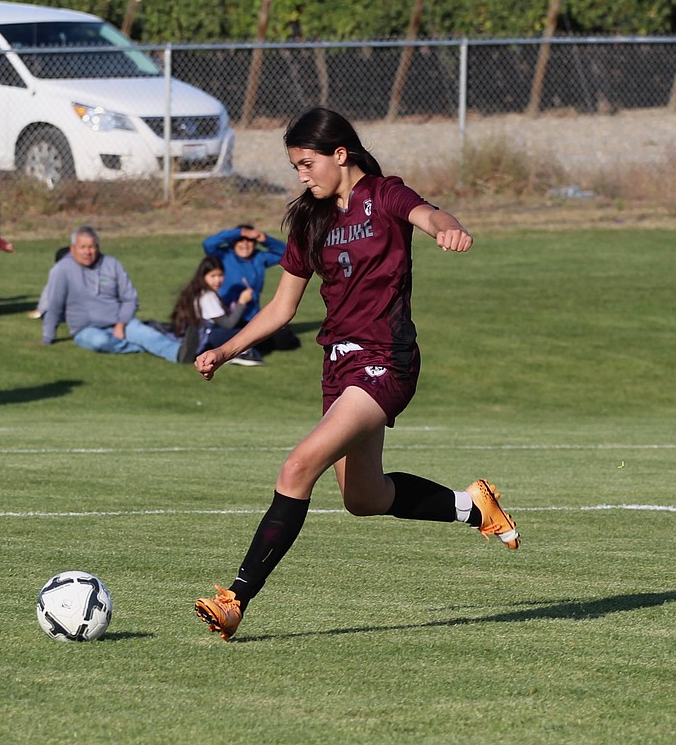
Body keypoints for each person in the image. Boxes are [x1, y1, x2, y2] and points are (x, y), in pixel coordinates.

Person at [193, 107, 519, 642]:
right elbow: (281, 310)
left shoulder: (386, 194)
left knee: (297, 468)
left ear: (339, 155)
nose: (301, 174)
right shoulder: (308, 219)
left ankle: (235, 599)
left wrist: (450, 229)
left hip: (386, 359)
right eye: (296, 165)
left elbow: (430, 216)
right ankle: (473, 505)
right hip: (338, 364)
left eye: (307, 163)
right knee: (363, 498)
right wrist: (225, 349)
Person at [40, 225, 180, 362]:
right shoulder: (61, 270)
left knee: (147, 334)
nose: (87, 252)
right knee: (99, 341)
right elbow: (55, 305)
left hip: (119, 322)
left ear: (98, 247)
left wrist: (120, 325)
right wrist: (48, 337)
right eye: (82, 247)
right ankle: (141, 347)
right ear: (73, 249)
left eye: (91, 247)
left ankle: (181, 353)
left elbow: (130, 299)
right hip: (85, 329)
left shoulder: (112, 264)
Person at [170, 256, 264, 367]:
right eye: (213, 276)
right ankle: (242, 354)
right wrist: (242, 302)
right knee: (245, 333)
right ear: (203, 276)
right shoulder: (207, 296)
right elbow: (228, 324)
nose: (217, 280)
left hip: (206, 333)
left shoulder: (201, 292)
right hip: (208, 335)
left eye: (220, 275)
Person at [202, 223, 286, 324]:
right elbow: (208, 244)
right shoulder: (224, 255)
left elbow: (286, 253)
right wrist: (240, 232)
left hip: (252, 315)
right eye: (240, 240)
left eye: (249, 240)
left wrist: (266, 240)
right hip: (227, 314)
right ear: (233, 243)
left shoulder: (259, 257)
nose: (245, 244)